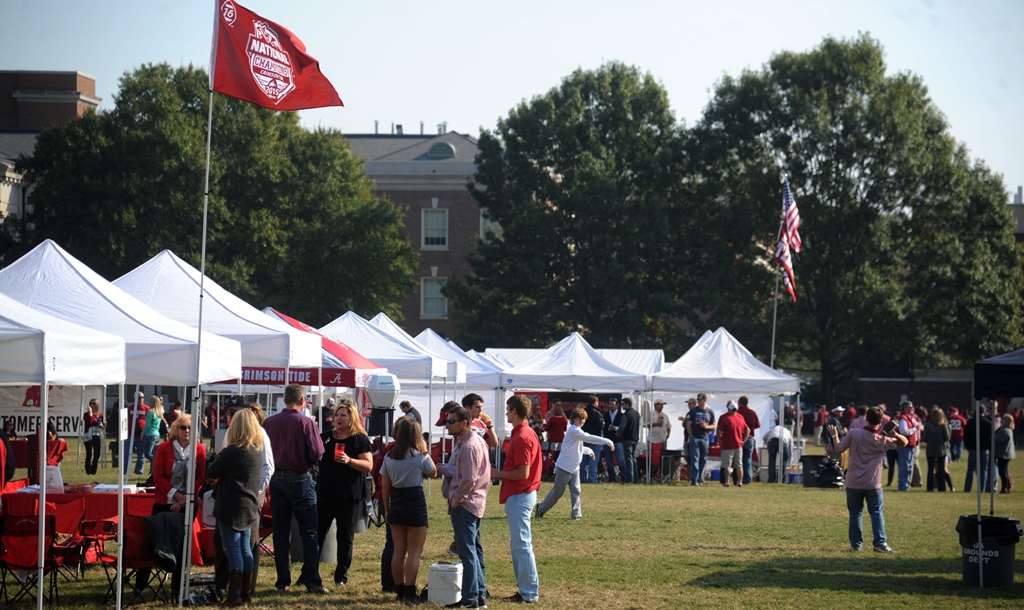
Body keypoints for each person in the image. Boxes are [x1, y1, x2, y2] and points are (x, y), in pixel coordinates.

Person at [263, 384, 328, 594]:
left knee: (280, 532)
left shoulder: (269, 423)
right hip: (299, 478)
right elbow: (317, 453)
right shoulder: (306, 422)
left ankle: (283, 581)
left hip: (276, 479)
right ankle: (312, 581)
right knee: (309, 531)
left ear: (284, 399)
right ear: (302, 401)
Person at [826, 406, 907, 552]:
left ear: (866, 419)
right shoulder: (882, 439)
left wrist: (834, 435)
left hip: (853, 482)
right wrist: (894, 433)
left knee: (855, 514)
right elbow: (904, 443)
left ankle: (856, 545)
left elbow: (839, 449)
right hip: (873, 483)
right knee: (876, 513)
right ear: (881, 421)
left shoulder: (854, 433)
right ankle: (880, 543)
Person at [144, 414, 207, 599]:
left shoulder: (200, 450)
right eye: (183, 428)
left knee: (182, 548)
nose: (187, 431)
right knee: (152, 542)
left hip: (188, 504)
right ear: (175, 430)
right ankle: (140, 585)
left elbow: (201, 477)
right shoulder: (164, 448)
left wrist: (185, 499)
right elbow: (158, 477)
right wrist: (176, 495)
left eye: (190, 428)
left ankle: (176, 589)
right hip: (164, 502)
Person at [206, 409, 263, 606]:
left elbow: (212, 470)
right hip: (249, 505)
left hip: (231, 506)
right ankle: (246, 593)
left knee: (233, 551)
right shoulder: (256, 450)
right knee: (245, 550)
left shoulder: (233, 451)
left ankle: (234, 595)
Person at [380, 416, 439, 602]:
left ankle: (398, 591)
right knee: (414, 551)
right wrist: (425, 449)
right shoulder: (419, 456)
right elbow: (434, 472)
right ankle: (410, 591)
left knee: (398, 550)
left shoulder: (389, 457)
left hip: (397, 501)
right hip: (415, 501)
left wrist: (387, 508)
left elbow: (385, 487)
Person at [317, 400, 373, 587]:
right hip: (325, 492)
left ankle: (341, 575)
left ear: (352, 418)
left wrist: (349, 460)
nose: (338, 418)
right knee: (317, 533)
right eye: (337, 415)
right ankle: (310, 572)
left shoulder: (359, 439)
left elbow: (368, 465)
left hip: (349, 495)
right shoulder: (325, 437)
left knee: (345, 536)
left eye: (343, 415)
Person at [492, 394, 542, 604]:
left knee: (521, 545)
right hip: (521, 493)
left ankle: (529, 592)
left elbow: (522, 473)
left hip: (521, 493)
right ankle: (526, 590)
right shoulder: (524, 433)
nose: (506, 413)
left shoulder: (522, 436)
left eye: (508, 409)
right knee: (520, 544)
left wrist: (496, 473)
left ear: (514, 410)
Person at [446, 405, 490, 609]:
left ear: (464, 423)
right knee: (472, 551)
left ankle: (470, 599)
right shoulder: (473, 441)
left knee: (467, 553)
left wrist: (456, 499)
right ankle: (478, 596)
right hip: (472, 503)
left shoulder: (470, 445)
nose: (448, 425)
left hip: (466, 505)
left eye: (451, 421)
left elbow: (469, 479)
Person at [536, 407, 613, 520]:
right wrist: (607, 441)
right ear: (573, 420)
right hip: (564, 467)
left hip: (574, 467)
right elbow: (588, 438)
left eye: (583, 419)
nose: (581, 421)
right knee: (558, 492)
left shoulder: (578, 431)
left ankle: (576, 515)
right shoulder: (573, 430)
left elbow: (577, 447)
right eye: (579, 419)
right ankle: (541, 508)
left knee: (576, 490)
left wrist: (589, 451)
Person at [685, 393, 715, 486]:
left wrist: (706, 427)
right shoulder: (693, 411)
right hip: (695, 438)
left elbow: (714, 425)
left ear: (705, 400)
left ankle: (699, 479)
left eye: (700, 399)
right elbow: (688, 424)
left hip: (705, 438)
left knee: (703, 460)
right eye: (697, 399)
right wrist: (691, 435)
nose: (698, 401)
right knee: (695, 459)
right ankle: (694, 480)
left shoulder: (710, 412)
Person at [717, 401, 748, 487]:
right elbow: (747, 430)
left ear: (729, 409)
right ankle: (740, 482)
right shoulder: (740, 419)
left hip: (727, 445)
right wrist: (744, 440)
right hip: (738, 445)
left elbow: (720, 431)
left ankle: (726, 482)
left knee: (727, 465)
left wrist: (720, 440)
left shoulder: (726, 419)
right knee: (739, 465)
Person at [922, 406, 950, 492]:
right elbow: (947, 437)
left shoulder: (927, 425)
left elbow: (924, 438)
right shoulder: (943, 426)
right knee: (941, 469)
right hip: (941, 450)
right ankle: (942, 487)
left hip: (930, 450)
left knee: (930, 469)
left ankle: (930, 487)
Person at [896, 401, 923, 491]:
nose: (912, 408)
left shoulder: (911, 417)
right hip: (905, 446)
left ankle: (906, 486)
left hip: (911, 445)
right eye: (910, 407)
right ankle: (903, 486)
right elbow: (903, 431)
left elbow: (920, 426)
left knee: (909, 467)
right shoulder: (903, 418)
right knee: (905, 467)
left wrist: (918, 427)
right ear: (904, 409)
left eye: (912, 407)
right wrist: (915, 428)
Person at [136, 395, 166, 476]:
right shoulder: (159, 413)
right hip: (157, 435)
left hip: (150, 435)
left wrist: (142, 434)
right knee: (154, 453)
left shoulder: (150, 412)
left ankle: (157, 463)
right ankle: (153, 470)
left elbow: (147, 425)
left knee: (147, 454)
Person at [734, 396, 760, 485]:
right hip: (749, 438)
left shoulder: (737, 413)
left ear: (739, 403)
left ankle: (738, 478)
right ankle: (748, 478)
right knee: (748, 459)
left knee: (738, 460)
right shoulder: (752, 412)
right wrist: (751, 429)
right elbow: (758, 424)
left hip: (739, 438)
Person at [579, 396, 605, 484]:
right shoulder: (597, 413)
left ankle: (582, 479)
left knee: (583, 461)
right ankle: (592, 480)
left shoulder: (583, 412)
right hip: (595, 439)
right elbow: (601, 426)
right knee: (593, 461)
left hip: (584, 438)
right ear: (596, 402)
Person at [616, 397, 640, 483]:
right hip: (635, 438)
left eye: (623, 404)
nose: (622, 406)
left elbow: (622, 427)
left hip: (627, 439)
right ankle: (635, 478)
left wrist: (618, 433)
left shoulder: (626, 415)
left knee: (628, 459)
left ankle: (630, 479)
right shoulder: (637, 413)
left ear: (628, 404)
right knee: (633, 459)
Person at [646, 399, 671, 478]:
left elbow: (669, 426)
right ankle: (651, 474)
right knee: (652, 458)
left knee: (662, 457)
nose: (662, 406)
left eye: (663, 405)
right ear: (656, 405)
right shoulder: (650, 414)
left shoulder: (665, 416)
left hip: (662, 439)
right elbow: (646, 424)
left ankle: (660, 474)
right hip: (652, 440)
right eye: (660, 404)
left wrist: (668, 434)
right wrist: (657, 424)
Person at [82, 398, 104, 476]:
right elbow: (90, 423)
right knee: (89, 453)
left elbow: (103, 424)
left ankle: (93, 470)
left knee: (97, 454)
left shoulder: (100, 415)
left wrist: (102, 425)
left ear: (97, 405)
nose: (91, 405)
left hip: (97, 435)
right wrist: (90, 414)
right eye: (90, 403)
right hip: (88, 436)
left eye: (93, 403)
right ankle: (88, 469)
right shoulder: (86, 415)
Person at [601, 398, 621, 482]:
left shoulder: (621, 415)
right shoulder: (605, 415)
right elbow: (602, 428)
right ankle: (612, 478)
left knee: (620, 460)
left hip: (617, 440)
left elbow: (624, 428)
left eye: (613, 404)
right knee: (608, 461)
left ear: (617, 405)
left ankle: (624, 478)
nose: (611, 405)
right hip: (607, 440)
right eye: (610, 404)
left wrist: (615, 428)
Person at [995, 414, 1015, 494]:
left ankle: (1004, 488)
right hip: (1007, 453)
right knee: (1005, 471)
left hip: (1004, 454)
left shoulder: (1004, 431)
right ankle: (1006, 487)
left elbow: (998, 440)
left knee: (1002, 471)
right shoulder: (1009, 430)